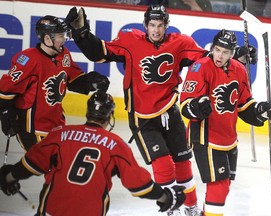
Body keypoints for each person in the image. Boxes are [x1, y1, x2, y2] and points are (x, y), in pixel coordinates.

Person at [64, 5, 257, 216]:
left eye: (161, 25)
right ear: (145, 25)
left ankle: (190, 206)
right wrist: (81, 33)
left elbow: (210, 59)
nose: (156, 30)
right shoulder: (130, 42)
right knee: (164, 165)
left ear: (167, 26)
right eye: (152, 25)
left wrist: (237, 56)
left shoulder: (180, 43)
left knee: (183, 164)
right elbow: (99, 52)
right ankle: (171, 208)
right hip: (143, 118)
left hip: (170, 112)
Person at [0, 92, 186, 216]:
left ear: (87, 112)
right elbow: (139, 186)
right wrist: (166, 197)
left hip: (51, 211)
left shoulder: (60, 134)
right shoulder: (115, 145)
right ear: (110, 116)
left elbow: (31, 165)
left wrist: (8, 177)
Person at [179, 29, 271, 216]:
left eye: (225, 52)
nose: (220, 55)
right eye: (217, 50)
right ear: (212, 48)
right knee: (219, 185)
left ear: (232, 53)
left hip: (228, 138)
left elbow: (244, 105)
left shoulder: (239, 70)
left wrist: (262, 111)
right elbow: (185, 103)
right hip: (205, 136)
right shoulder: (199, 67)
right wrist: (197, 106)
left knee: (223, 185)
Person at [0, 15, 110, 151]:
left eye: (64, 35)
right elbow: (6, 89)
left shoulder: (63, 54)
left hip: (57, 123)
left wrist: (93, 82)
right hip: (33, 128)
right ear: (47, 38)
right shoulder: (29, 60)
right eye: (60, 36)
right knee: (57, 166)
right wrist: (5, 111)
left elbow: (74, 80)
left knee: (63, 166)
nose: (64, 39)